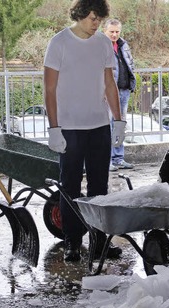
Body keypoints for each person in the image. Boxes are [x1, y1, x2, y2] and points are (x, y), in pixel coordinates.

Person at [43, 0, 125, 262]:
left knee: (100, 187)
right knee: (70, 188)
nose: (96, 24)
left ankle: (100, 241)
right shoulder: (59, 42)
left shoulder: (102, 42)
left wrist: (118, 120)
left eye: (99, 19)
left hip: (98, 126)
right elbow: (50, 88)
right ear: (79, 15)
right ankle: (72, 242)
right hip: (70, 128)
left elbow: (109, 83)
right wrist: (54, 128)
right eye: (92, 18)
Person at [103, 18, 136, 171]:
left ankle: (118, 158)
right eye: (112, 32)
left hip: (124, 90)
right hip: (108, 93)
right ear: (105, 31)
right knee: (107, 126)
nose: (114, 34)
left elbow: (130, 63)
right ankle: (107, 160)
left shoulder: (123, 45)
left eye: (117, 31)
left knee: (120, 126)